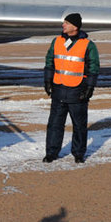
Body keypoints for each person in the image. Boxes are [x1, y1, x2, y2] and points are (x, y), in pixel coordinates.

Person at [43, 13, 100, 164]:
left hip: (77, 92)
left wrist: (90, 88)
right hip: (59, 90)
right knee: (55, 125)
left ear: (75, 27)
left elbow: (94, 68)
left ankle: (78, 154)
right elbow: (49, 61)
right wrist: (47, 80)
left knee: (79, 126)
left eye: (66, 23)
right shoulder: (56, 41)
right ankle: (51, 153)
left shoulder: (88, 45)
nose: (63, 25)